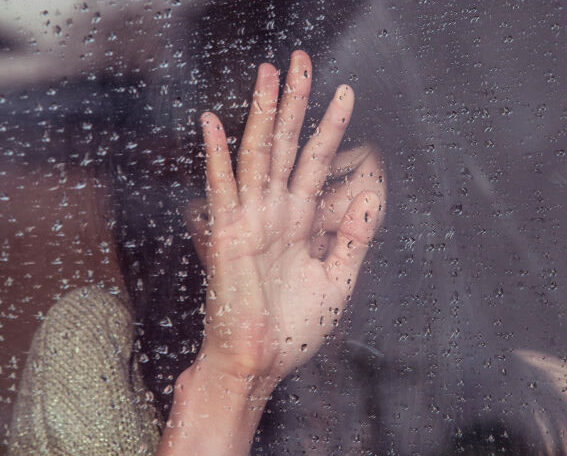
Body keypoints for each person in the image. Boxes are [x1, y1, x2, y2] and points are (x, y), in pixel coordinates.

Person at [7, 50, 387, 455]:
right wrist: (234, 375)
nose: (358, 220)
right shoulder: (100, 351)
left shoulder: (395, 369)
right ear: (199, 219)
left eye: (335, 180)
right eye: (326, 184)